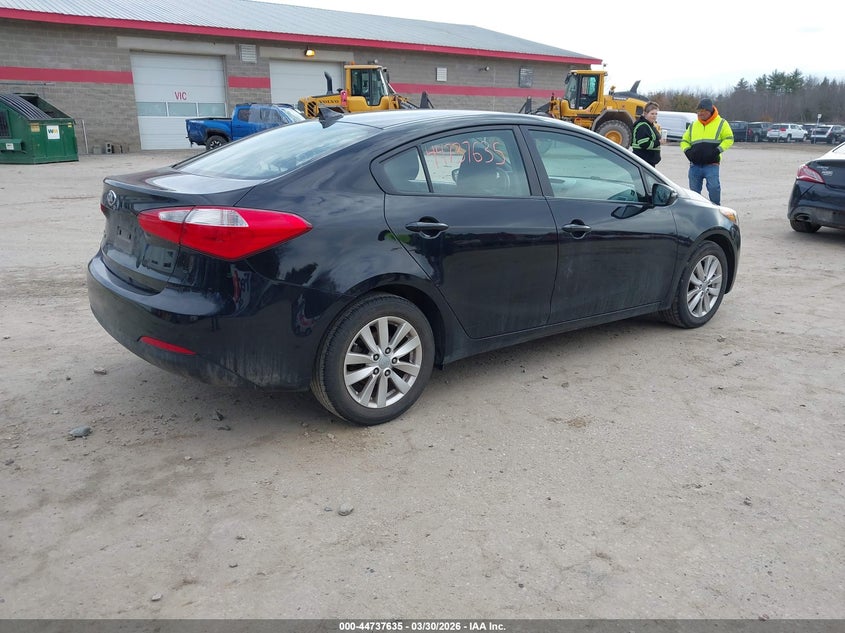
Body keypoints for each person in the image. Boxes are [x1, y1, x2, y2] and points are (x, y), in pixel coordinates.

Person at [680, 98, 734, 204]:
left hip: (712, 164)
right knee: (694, 194)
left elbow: (729, 139)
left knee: (714, 189)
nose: (700, 114)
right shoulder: (693, 125)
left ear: (709, 111)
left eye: (702, 111)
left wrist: (717, 150)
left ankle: (716, 209)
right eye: (698, 111)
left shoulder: (722, 123)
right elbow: (684, 141)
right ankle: (696, 212)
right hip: (694, 165)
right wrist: (688, 152)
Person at [631, 101, 664, 166]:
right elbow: (644, 144)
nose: (654, 116)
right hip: (643, 162)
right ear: (645, 114)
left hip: (648, 162)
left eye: (656, 114)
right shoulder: (643, 126)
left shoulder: (650, 125)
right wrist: (659, 142)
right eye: (652, 114)